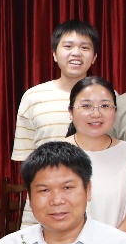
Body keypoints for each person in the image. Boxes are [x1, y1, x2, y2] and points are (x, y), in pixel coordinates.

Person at [22, 76, 126, 234]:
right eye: (86, 106)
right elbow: (36, 207)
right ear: (70, 111)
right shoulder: (53, 154)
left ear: (115, 111)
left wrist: (111, 243)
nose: (96, 113)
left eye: (104, 106)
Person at [12, 19, 99, 162]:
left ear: (94, 57)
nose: (76, 53)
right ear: (54, 54)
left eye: (84, 47)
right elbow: (25, 159)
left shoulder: (107, 98)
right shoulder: (33, 97)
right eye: (68, 46)